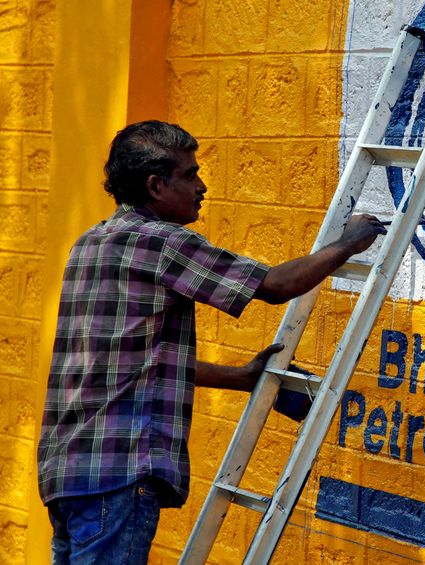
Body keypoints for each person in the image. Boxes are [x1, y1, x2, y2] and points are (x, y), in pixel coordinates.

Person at [36, 120, 386, 563]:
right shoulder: (162, 242)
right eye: (189, 175)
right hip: (117, 476)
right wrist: (348, 244)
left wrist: (241, 378)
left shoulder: (90, 243)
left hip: (66, 473)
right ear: (156, 186)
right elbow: (275, 286)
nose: (202, 186)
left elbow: (136, 359)